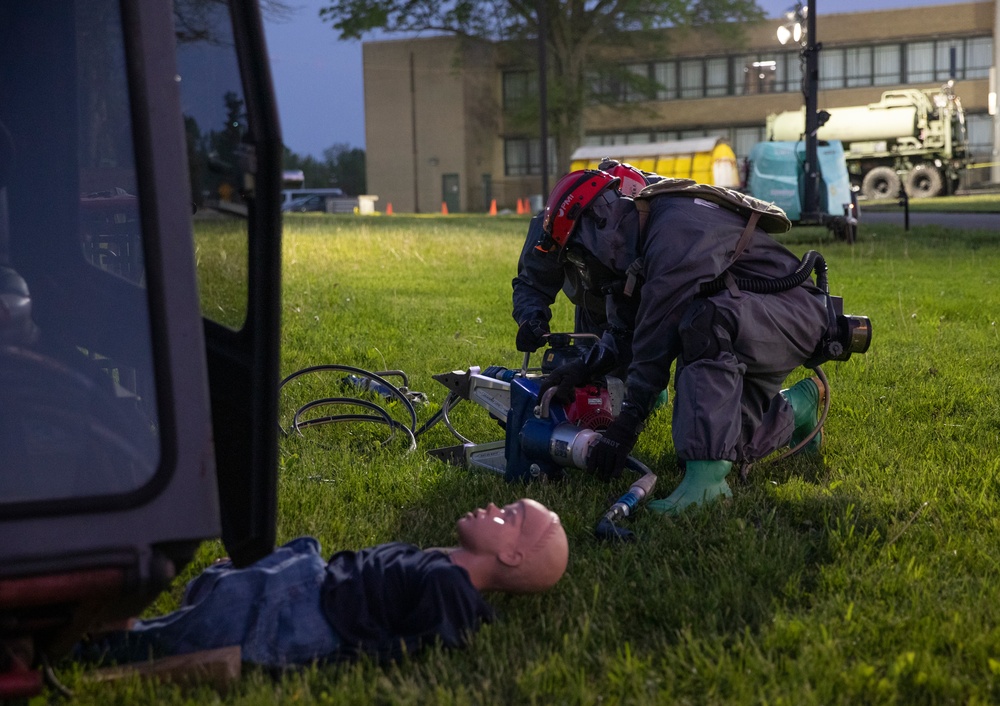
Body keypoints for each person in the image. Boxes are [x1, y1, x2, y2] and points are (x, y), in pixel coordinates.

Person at [536, 170, 833, 515]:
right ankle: (800, 406)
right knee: (724, 443)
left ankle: (708, 485)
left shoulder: (675, 226)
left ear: (599, 219)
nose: (583, 266)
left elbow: (655, 334)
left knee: (702, 323)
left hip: (792, 313)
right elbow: (624, 330)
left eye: (577, 253)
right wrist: (583, 368)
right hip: (753, 317)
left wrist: (627, 423)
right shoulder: (641, 243)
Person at [83, 498, 569, 668]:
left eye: (508, 515)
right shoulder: (442, 566)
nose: (492, 509)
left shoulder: (451, 590)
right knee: (220, 598)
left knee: (200, 630)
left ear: (511, 554)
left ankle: (103, 646)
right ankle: (124, 630)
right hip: (308, 581)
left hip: (307, 612)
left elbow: (421, 642)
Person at [511, 160, 651, 355]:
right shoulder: (557, 222)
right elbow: (532, 283)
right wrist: (531, 318)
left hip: (645, 306)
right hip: (593, 307)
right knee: (589, 376)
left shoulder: (661, 217)